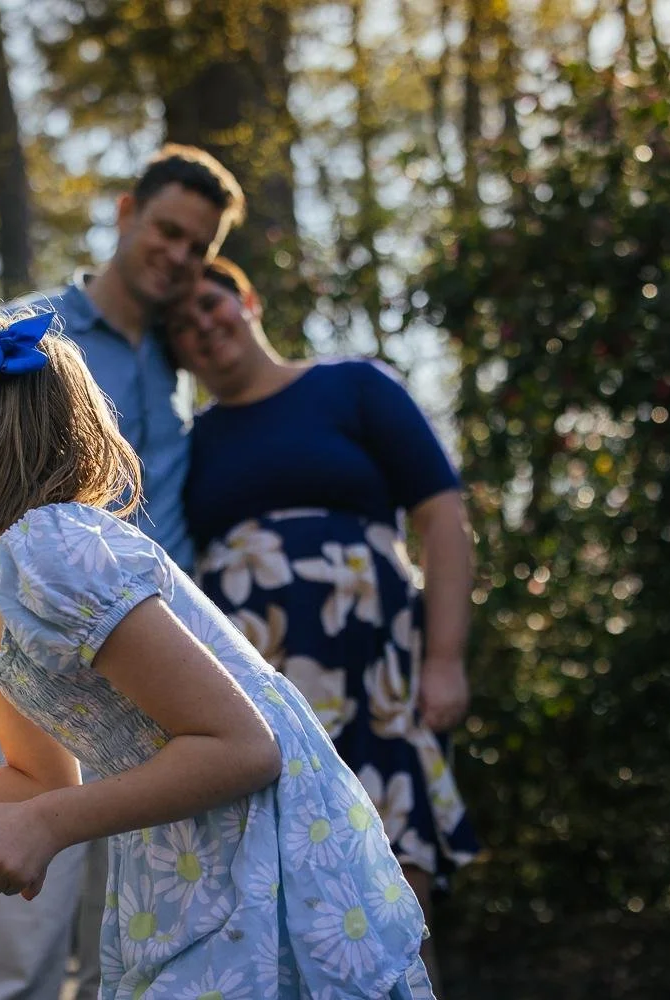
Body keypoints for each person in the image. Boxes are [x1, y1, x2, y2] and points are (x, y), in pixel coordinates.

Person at [0, 301, 437, 999]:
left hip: (276, 863)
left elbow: (242, 748)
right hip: (186, 868)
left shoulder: (49, 552)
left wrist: (44, 826)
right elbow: (37, 783)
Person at [0, 143, 246, 1000]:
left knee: (141, 915)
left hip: (163, 657)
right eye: (166, 230)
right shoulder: (23, 335)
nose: (177, 255)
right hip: (39, 642)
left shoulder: (176, 355)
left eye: (197, 245)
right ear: (124, 214)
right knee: (20, 914)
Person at [167, 258, 479, 990]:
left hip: (376, 683)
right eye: (179, 327)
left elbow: (441, 517)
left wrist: (445, 657)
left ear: (244, 299)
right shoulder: (192, 444)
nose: (201, 327)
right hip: (257, 700)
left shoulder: (352, 385)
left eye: (210, 303)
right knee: (274, 906)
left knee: (391, 892)